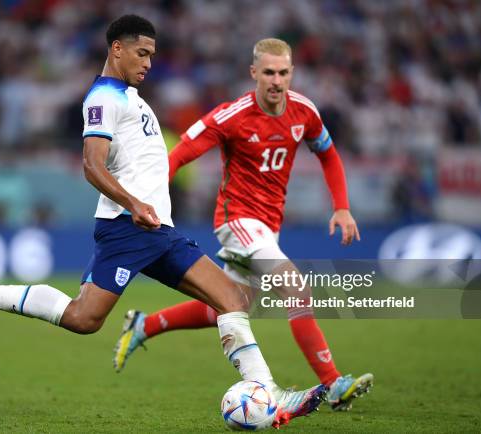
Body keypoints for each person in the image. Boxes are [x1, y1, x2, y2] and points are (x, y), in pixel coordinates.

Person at [0, 16, 325, 428]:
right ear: (117, 48)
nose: (149, 62)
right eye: (142, 53)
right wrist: (133, 202)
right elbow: (91, 166)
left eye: (152, 54)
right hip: (128, 228)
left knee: (233, 299)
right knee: (85, 319)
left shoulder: (129, 97)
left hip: (158, 230)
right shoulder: (103, 99)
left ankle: (269, 392)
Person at [113, 38, 373, 411]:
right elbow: (182, 152)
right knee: (296, 291)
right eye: (268, 72)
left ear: (292, 74)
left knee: (232, 303)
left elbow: (329, 155)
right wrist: (144, 198)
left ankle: (144, 325)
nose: (276, 80)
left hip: (269, 226)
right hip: (237, 221)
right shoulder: (231, 116)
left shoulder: (305, 112)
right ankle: (332, 384)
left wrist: (342, 208)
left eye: (283, 72)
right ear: (254, 73)